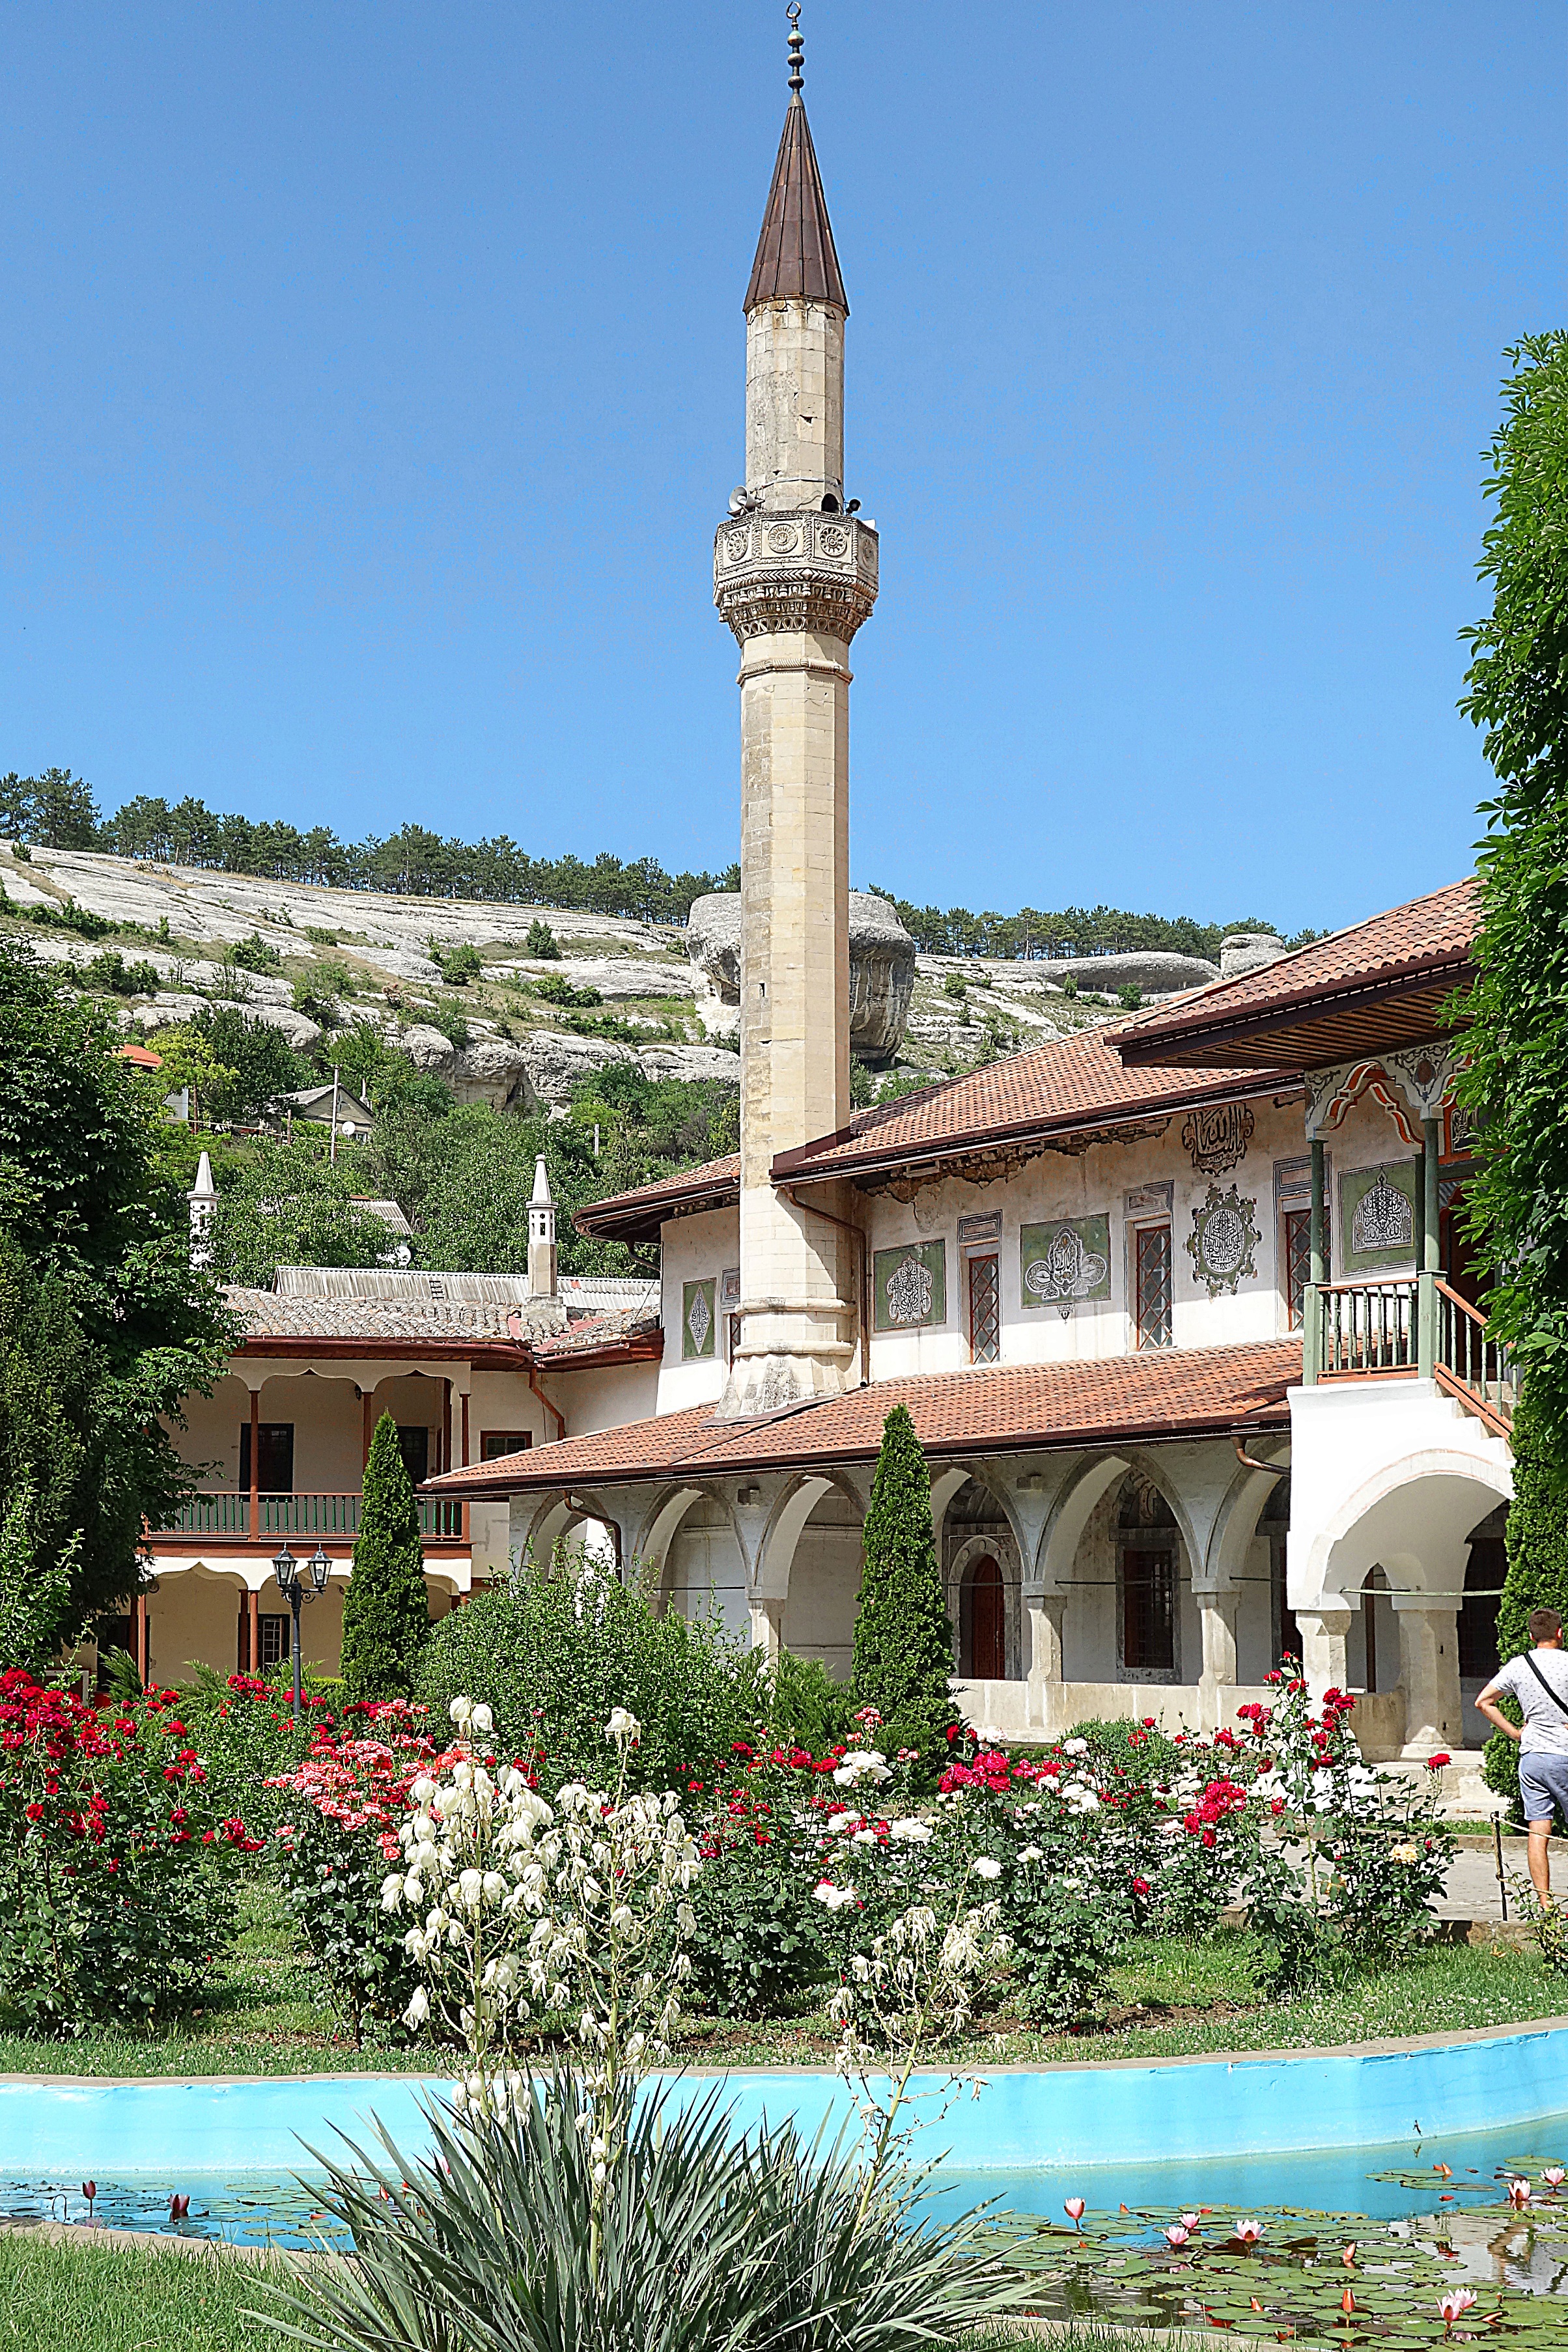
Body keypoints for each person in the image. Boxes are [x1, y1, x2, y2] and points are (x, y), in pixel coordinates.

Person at [1477, 1606, 1568, 1904]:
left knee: (1538, 1832)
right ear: (1560, 1633)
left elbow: (1484, 1702)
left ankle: (1545, 1904)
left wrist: (1517, 1733)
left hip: (1533, 1756)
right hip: (1565, 1753)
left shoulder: (1519, 1665)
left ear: (1531, 1636)